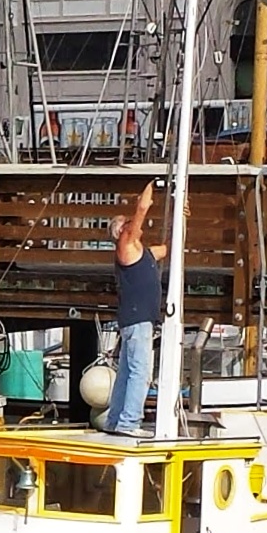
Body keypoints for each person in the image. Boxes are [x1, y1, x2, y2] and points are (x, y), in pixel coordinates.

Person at [106, 181, 165, 434]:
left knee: (127, 372)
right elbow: (141, 209)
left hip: (137, 320)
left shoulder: (145, 252)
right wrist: (151, 184)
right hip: (137, 319)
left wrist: (182, 220)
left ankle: (114, 420)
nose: (132, 227)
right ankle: (129, 422)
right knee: (140, 372)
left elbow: (169, 248)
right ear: (121, 232)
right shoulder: (126, 246)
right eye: (126, 225)